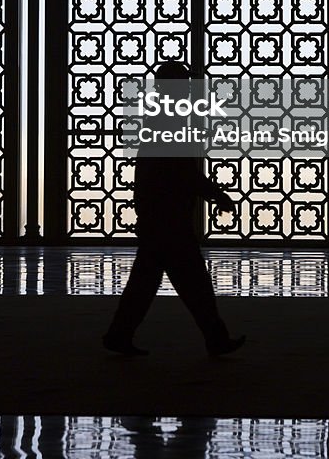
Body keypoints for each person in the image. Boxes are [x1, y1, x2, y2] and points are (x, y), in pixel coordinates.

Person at [103, 60, 245, 357]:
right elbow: (182, 171)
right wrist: (217, 195)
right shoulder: (170, 119)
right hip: (168, 218)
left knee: (150, 282)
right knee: (193, 283)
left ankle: (120, 334)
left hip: (158, 215)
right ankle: (215, 339)